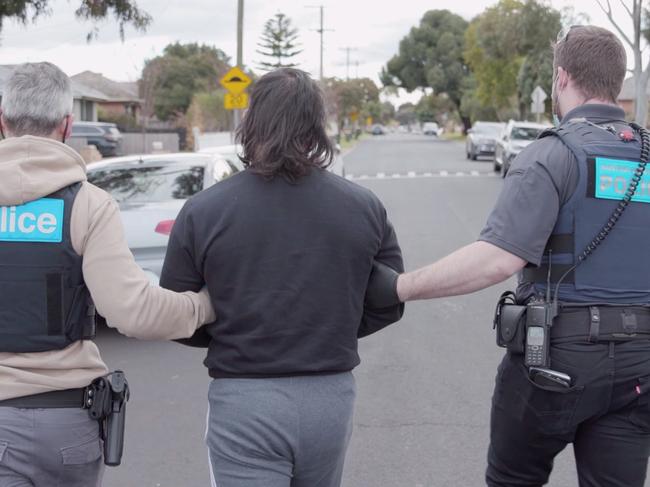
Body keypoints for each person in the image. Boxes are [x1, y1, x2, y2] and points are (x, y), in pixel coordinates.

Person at [376, 26, 650, 486]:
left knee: (512, 478)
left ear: (561, 78)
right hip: (641, 366)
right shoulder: (642, 154)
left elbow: (497, 259)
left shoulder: (550, 155)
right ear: (617, 80)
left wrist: (398, 286)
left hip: (555, 362)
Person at [160, 67, 404, 487]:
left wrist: (230, 330)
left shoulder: (204, 211)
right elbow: (389, 299)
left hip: (245, 400)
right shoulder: (364, 206)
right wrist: (331, 327)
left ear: (251, 122)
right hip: (329, 397)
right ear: (317, 126)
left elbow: (175, 314)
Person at [0, 62, 215, 486]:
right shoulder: (88, 205)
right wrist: (205, 305)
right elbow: (133, 311)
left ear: (1, 121)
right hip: (62, 425)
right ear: (67, 125)